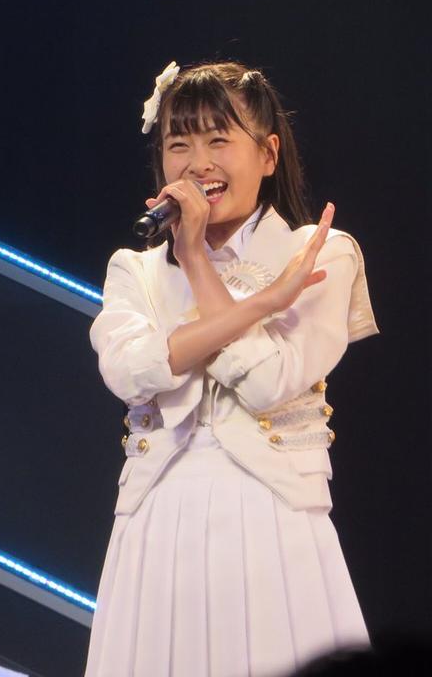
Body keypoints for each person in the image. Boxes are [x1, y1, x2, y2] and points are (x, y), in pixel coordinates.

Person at [84, 61, 378, 676]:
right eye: (179, 145)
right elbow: (130, 373)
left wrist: (195, 261)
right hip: (157, 520)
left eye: (218, 140)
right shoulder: (133, 270)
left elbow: (268, 381)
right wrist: (260, 305)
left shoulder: (318, 252)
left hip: (274, 516)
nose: (198, 163)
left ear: (267, 154)